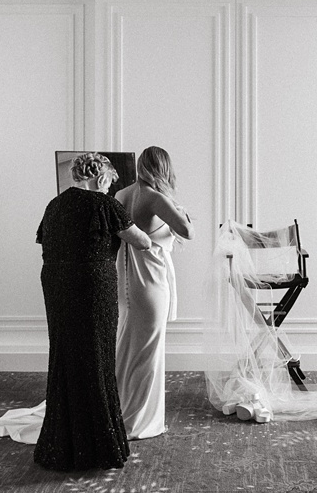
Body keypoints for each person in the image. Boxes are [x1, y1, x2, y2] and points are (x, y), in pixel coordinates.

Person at [20, 152, 150, 471]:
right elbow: (142, 242)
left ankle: (62, 441)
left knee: (65, 354)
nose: (110, 186)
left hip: (56, 282)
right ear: (101, 177)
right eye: (110, 180)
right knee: (96, 354)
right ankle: (98, 445)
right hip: (92, 284)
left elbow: (47, 242)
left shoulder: (55, 205)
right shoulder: (105, 204)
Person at [114, 146, 194, 440]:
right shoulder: (154, 197)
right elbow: (188, 231)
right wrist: (181, 210)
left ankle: (119, 411)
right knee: (148, 352)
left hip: (126, 282)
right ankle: (138, 421)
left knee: (128, 349)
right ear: (163, 168)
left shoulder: (121, 195)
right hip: (150, 283)